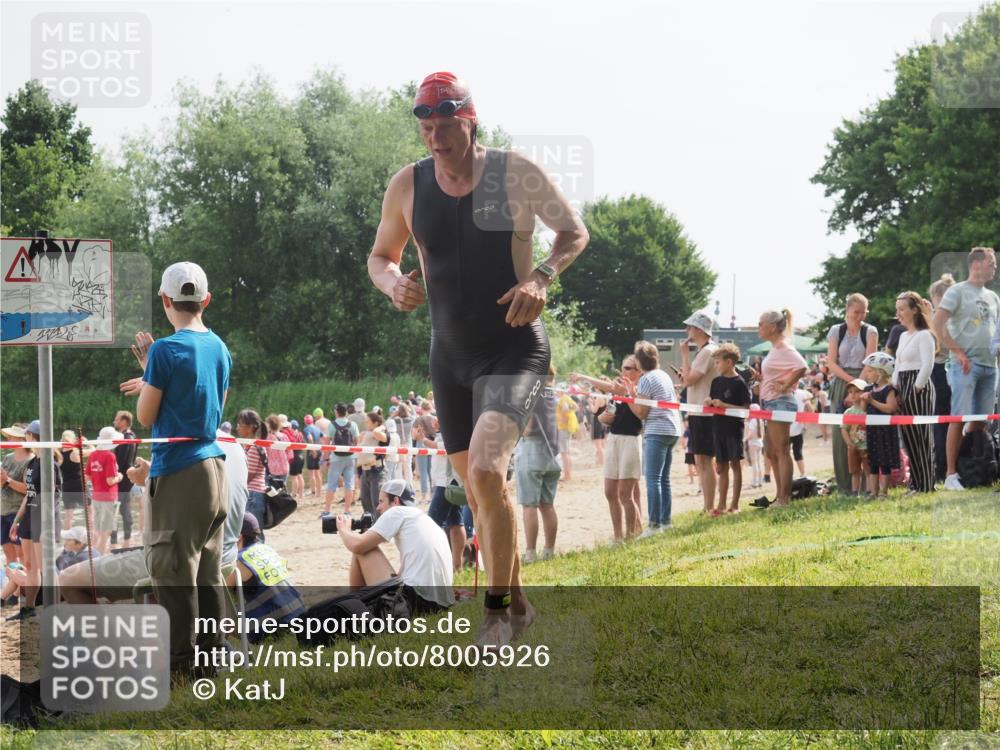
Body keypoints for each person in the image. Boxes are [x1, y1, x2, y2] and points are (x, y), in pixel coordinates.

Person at [367, 71, 588, 648]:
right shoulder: (408, 185)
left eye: (447, 127)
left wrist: (542, 277)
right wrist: (393, 286)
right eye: (427, 129)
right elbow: (380, 257)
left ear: (471, 121)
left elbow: (573, 232)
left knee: (488, 472)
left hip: (515, 347)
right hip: (450, 357)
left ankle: (493, 617)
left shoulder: (514, 172)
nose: (436, 140)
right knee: (480, 489)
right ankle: (516, 601)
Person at [118, 261, 231, 671]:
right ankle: (214, 658)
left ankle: (181, 667)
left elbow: (146, 417)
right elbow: (206, 403)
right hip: (215, 468)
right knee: (208, 572)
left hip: (181, 471)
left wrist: (150, 374)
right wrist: (153, 375)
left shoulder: (165, 349)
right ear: (206, 300)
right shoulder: (220, 346)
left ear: (166, 300)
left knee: (173, 570)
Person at [932, 247, 999, 491]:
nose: (995, 267)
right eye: (991, 262)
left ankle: (972, 466)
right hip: (964, 366)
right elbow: (937, 322)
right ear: (977, 264)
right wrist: (956, 351)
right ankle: (950, 474)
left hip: (989, 366)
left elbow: (995, 332)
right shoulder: (957, 291)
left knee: (980, 421)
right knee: (958, 417)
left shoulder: (993, 297)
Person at [335, 478, 454, 614]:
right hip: (439, 605)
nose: (378, 508)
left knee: (363, 550)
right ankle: (359, 607)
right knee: (365, 547)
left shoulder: (396, 512)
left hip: (416, 600)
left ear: (395, 501)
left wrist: (344, 529)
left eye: (381, 501)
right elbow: (402, 575)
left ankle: (354, 611)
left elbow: (357, 545)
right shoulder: (422, 519)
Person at [571, 358, 644, 540]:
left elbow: (641, 414)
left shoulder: (641, 389)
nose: (623, 372)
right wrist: (582, 377)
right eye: (623, 368)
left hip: (631, 440)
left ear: (638, 372)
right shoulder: (618, 390)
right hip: (614, 439)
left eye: (628, 368)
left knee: (626, 495)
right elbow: (606, 391)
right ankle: (618, 536)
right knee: (610, 492)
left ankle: (631, 536)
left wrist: (628, 395)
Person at [617, 341, 681, 534]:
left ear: (639, 361)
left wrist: (628, 397)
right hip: (672, 429)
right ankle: (666, 521)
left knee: (653, 479)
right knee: (664, 479)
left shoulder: (646, 379)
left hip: (657, 430)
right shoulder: (664, 376)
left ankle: (654, 525)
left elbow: (642, 412)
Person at [5, 420, 62, 621]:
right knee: (30, 565)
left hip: (43, 518)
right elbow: (29, 495)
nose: (24, 439)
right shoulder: (32, 462)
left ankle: (53, 609)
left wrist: (44, 520)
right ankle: (29, 607)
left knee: (46, 565)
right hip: (29, 516)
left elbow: (55, 496)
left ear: (33, 437)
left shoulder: (50, 464)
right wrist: (17, 520)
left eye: (26, 435)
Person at [826, 293, 880, 493]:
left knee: (863, 433)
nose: (859, 316)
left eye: (863, 312)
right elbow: (831, 362)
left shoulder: (870, 331)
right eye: (855, 312)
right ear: (847, 311)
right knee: (841, 435)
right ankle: (844, 485)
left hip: (863, 379)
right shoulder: (835, 331)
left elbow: (870, 361)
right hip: (841, 381)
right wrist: (850, 384)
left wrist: (858, 386)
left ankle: (867, 485)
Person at [227, 513, 305, 643]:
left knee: (216, 610)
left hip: (276, 626)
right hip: (298, 616)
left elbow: (222, 590)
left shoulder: (240, 560)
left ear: (238, 537)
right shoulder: (267, 549)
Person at [758, 309, 808, 508]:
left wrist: (786, 385)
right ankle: (780, 496)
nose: (758, 328)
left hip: (780, 402)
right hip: (771, 402)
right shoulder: (775, 348)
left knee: (781, 450)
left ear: (772, 327)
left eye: (761, 324)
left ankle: (784, 498)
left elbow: (802, 365)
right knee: (771, 452)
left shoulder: (783, 347)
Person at [892, 291, 937, 494]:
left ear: (914, 310)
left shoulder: (925, 335)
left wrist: (916, 389)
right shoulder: (902, 335)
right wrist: (894, 388)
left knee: (922, 438)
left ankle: (926, 484)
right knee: (909, 439)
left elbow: (928, 365)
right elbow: (898, 365)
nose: (899, 313)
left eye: (902, 309)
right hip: (902, 385)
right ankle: (916, 483)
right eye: (897, 309)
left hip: (918, 387)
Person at [515, 365, 561, 563]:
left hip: (532, 451)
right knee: (547, 505)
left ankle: (530, 552)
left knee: (529, 506)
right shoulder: (553, 396)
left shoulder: (531, 395)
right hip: (552, 453)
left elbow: (528, 428)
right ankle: (549, 550)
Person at [676, 312, 719, 514]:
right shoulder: (707, 350)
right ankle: (708, 505)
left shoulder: (706, 351)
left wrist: (684, 355)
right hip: (700, 411)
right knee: (702, 460)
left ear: (700, 330)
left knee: (704, 460)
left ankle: (709, 506)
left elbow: (689, 381)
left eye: (690, 327)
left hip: (704, 414)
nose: (687, 331)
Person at [705, 343, 752, 514]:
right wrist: (709, 401)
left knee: (735, 465)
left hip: (733, 429)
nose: (715, 365)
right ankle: (721, 505)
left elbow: (746, 409)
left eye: (718, 362)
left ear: (729, 362)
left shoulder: (740, 383)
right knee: (721, 467)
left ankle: (735, 504)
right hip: (718, 428)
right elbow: (713, 400)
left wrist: (724, 405)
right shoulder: (716, 382)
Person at [425, 420, 467, 571]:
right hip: (452, 480)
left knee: (432, 525)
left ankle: (437, 566)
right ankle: (457, 566)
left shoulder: (452, 429)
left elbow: (445, 447)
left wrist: (423, 439)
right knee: (456, 523)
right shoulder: (453, 426)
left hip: (447, 482)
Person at [857, 353, 900, 498]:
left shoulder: (889, 390)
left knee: (885, 461)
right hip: (872, 430)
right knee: (873, 461)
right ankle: (874, 492)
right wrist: (863, 400)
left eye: (869, 371)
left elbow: (891, 408)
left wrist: (872, 402)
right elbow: (863, 410)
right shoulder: (869, 389)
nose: (867, 374)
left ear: (880, 373)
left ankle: (883, 492)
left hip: (885, 431)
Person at [928, 274, 956, 481]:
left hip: (939, 371)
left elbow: (935, 347)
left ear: (937, 297)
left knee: (941, 421)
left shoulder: (939, 317)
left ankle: (941, 469)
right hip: (953, 370)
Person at [85, 426, 124, 555]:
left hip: (97, 495)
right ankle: (98, 558)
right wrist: (119, 476)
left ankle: (91, 556)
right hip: (109, 496)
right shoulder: (110, 456)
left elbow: (88, 477)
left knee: (98, 530)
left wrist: (98, 479)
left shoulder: (93, 454)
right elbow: (110, 481)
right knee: (106, 532)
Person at [1, 424, 32, 573]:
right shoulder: (7, 458)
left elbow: (29, 489)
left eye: (11, 436)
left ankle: (23, 588)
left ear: (21, 438)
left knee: (22, 554)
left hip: (19, 511)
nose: (7, 439)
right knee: (8, 552)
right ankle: (14, 588)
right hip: (3, 510)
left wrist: (7, 480)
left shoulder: (30, 461)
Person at [237, 409, 270, 536]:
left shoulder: (255, 447)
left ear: (251, 427)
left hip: (253, 494)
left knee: (254, 533)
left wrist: (238, 487)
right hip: (253, 493)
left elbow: (250, 474)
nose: (238, 427)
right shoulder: (249, 445)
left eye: (240, 424)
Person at [324, 403, 360, 515]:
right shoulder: (352, 424)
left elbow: (327, 443)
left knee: (331, 484)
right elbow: (356, 441)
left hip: (336, 458)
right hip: (350, 457)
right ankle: (347, 511)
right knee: (349, 484)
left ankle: (327, 510)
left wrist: (326, 458)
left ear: (336, 412)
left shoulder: (332, 425)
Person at [111, 410, 137, 548]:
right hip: (125, 477)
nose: (114, 421)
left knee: (119, 510)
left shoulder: (127, 438)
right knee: (122, 509)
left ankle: (120, 542)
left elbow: (121, 460)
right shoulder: (129, 436)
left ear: (124, 421)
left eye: (117, 419)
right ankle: (123, 541)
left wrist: (114, 474)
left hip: (122, 479)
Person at [840, 379, 870, 496]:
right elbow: (844, 429)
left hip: (867, 446)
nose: (853, 394)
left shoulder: (868, 410)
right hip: (853, 447)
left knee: (868, 470)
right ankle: (854, 492)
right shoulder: (848, 412)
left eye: (857, 391)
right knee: (854, 471)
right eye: (850, 392)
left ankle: (868, 491)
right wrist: (849, 443)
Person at [357, 411, 389, 518]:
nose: (365, 424)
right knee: (365, 501)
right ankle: (369, 527)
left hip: (377, 471)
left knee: (377, 502)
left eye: (368, 422)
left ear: (375, 423)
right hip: (365, 471)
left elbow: (380, 436)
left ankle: (380, 528)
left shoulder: (381, 432)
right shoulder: (366, 433)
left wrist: (380, 427)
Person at [788, 383, 814, 478]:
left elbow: (811, 408)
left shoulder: (801, 393)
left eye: (797, 382)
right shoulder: (784, 392)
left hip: (797, 429)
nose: (795, 384)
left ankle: (803, 474)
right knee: (786, 454)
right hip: (785, 429)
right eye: (794, 382)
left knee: (797, 453)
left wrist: (808, 401)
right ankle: (788, 475)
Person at [555, 390, 579, 482]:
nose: (556, 393)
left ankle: (567, 475)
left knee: (564, 453)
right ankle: (568, 474)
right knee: (566, 452)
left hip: (563, 427)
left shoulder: (563, 399)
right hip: (567, 427)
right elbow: (576, 407)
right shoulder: (568, 398)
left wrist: (564, 417)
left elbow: (565, 409)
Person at [264, 414, 290, 487]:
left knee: (272, 493)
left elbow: (264, 454)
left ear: (269, 425)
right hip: (285, 467)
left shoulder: (266, 438)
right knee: (283, 491)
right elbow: (290, 454)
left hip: (273, 469)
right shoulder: (284, 436)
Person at [302, 414, 323, 497]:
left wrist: (312, 450)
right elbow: (322, 437)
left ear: (305, 422)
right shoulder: (317, 428)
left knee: (312, 473)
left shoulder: (306, 429)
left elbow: (310, 438)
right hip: (319, 450)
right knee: (318, 472)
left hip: (311, 451)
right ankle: (319, 491)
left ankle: (313, 491)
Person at [744, 406, 764, 488]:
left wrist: (744, 439)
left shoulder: (752, 421)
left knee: (754, 463)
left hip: (753, 443)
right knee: (759, 463)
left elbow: (750, 433)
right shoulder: (760, 420)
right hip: (759, 443)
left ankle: (755, 482)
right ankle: (760, 481)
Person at [286, 418, 306, 498]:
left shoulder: (291, 434)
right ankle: (301, 494)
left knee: (294, 477)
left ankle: (294, 493)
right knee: (300, 475)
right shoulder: (300, 434)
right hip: (301, 455)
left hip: (294, 456)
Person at [588, 393, 607, 467]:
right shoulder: (605, 397)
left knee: (598, 445)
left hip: (597, 421)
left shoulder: (599, 397)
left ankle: (601, 462)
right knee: (602, 444)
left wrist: (590, 403)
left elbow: (594, 410)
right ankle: (600, 460)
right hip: (603, 421)